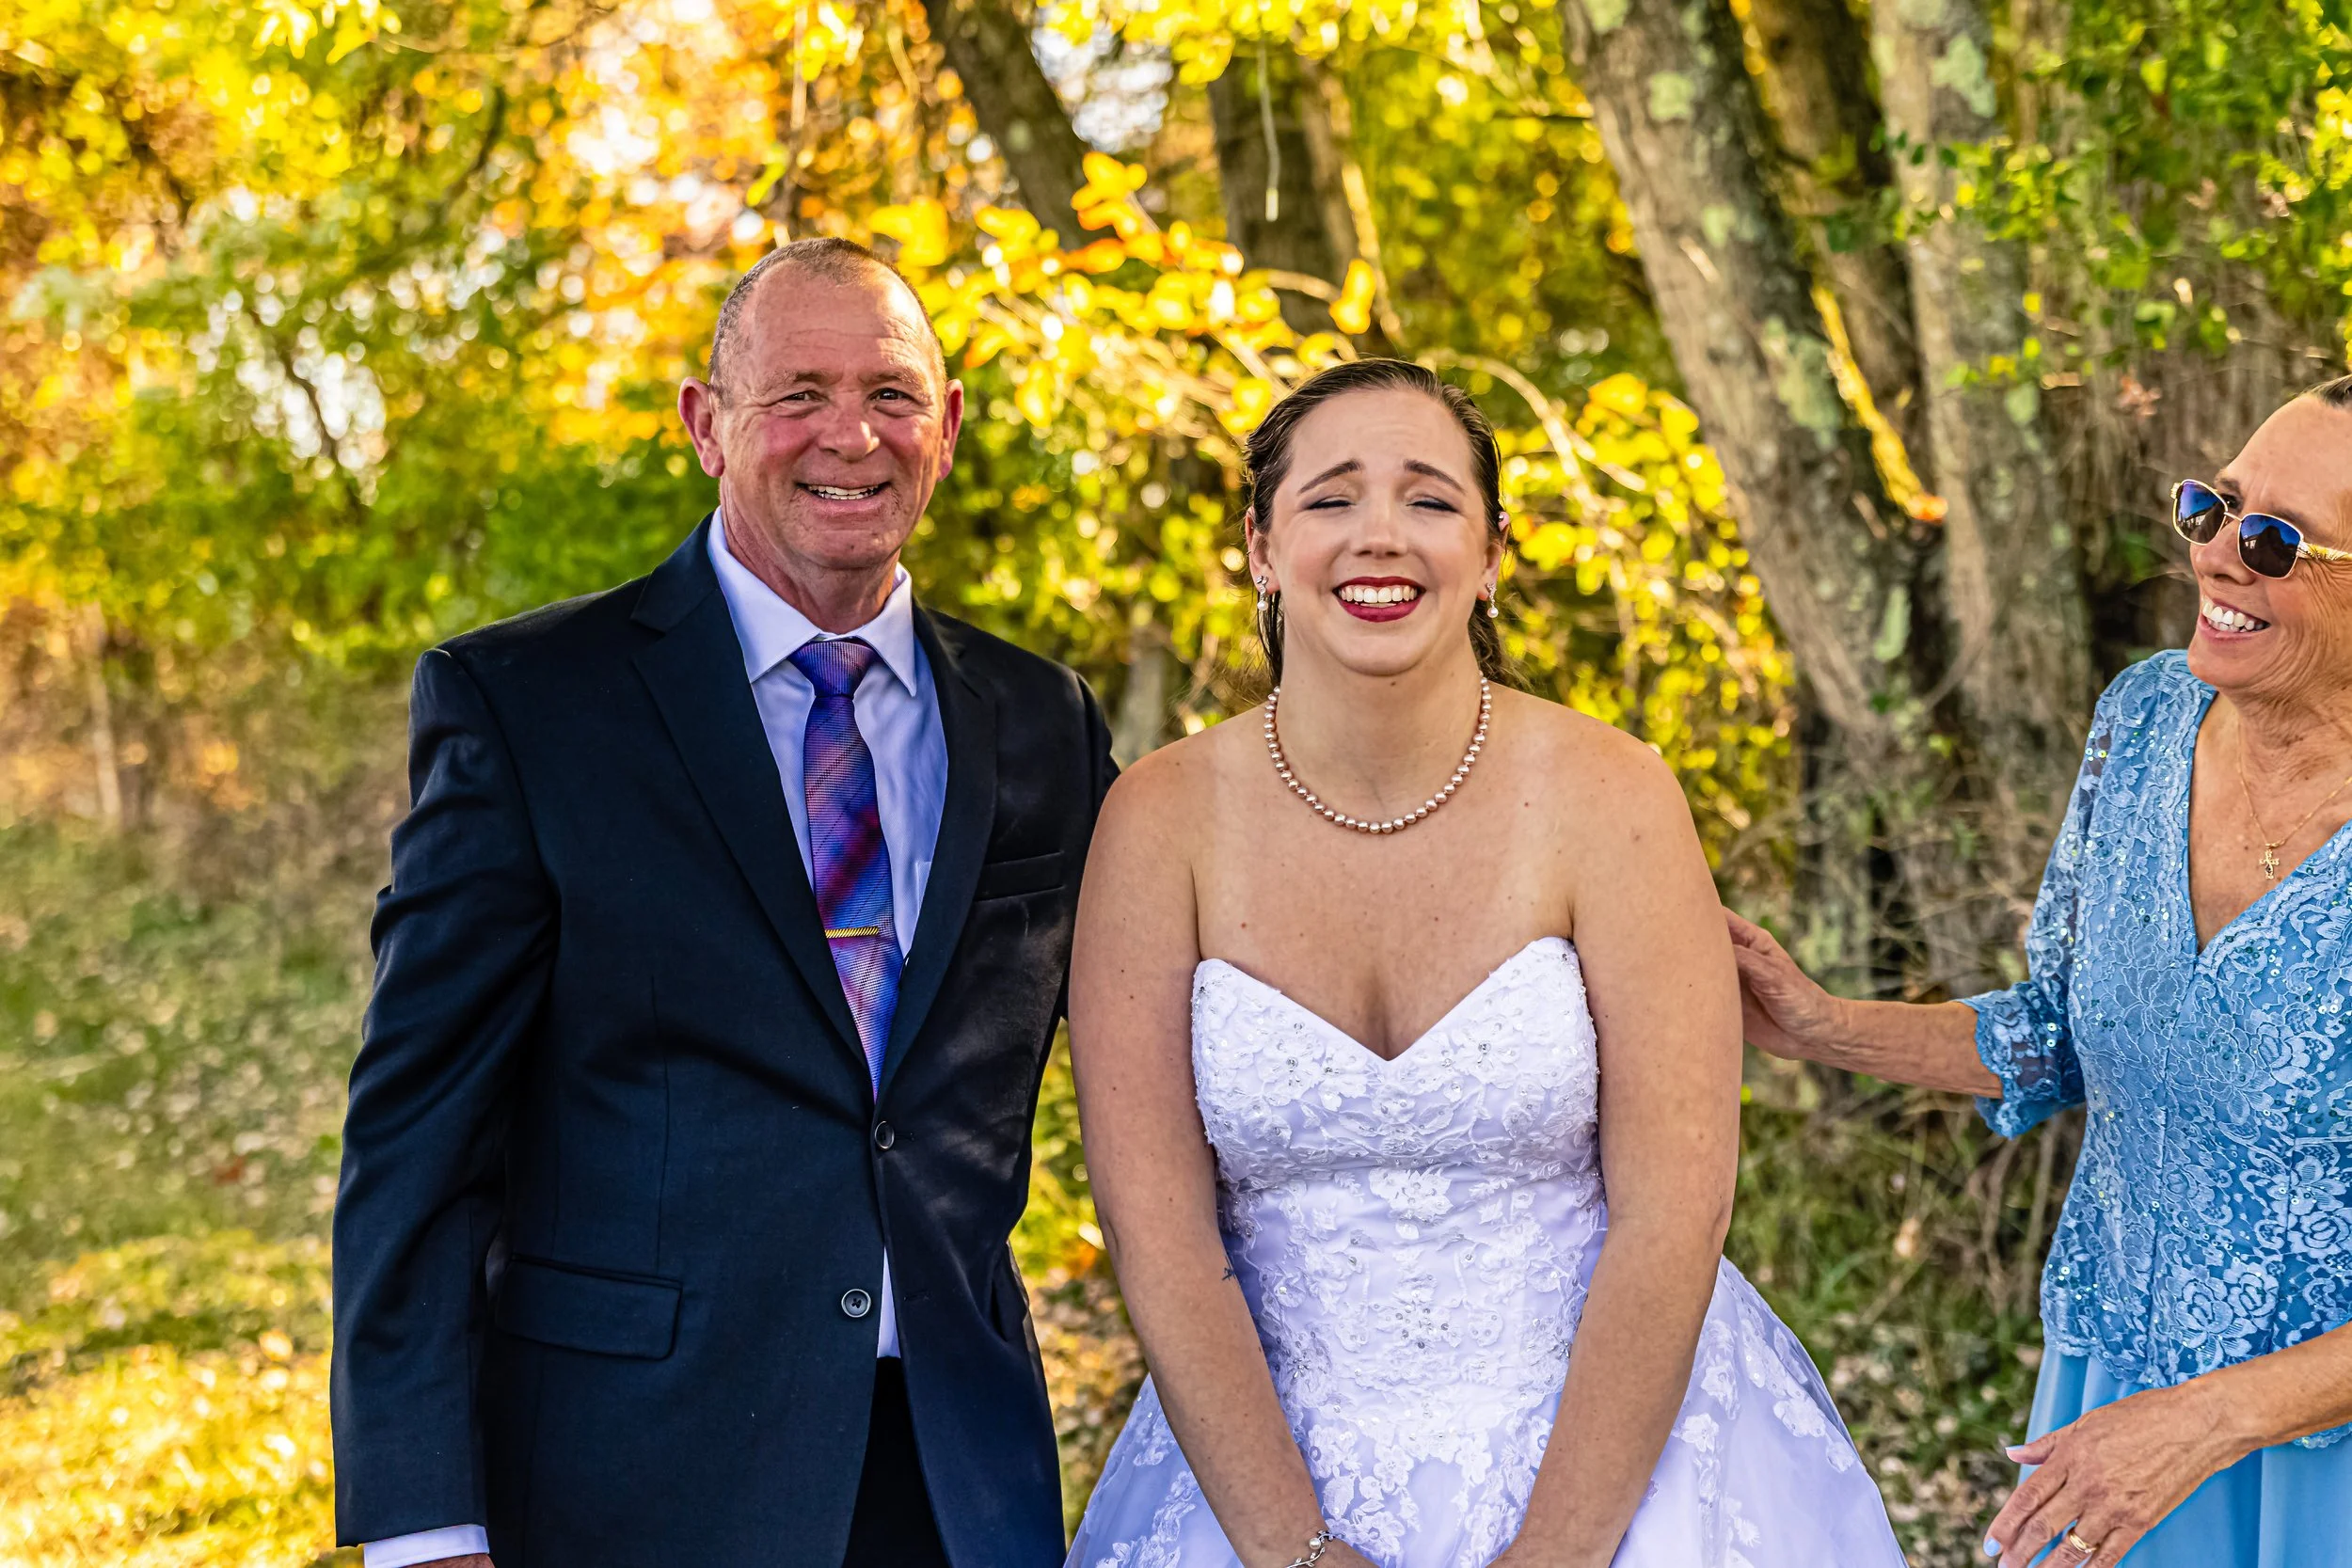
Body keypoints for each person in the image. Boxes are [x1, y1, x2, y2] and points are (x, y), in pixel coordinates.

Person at [330, 238, 1112, 1568]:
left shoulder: (1040, 718)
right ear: (707, 423)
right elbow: (418, 1129)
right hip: (626, 1471)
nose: (850, 436)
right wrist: (422, 1519)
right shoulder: (530, 705)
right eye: (798, 391)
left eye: (892, 393)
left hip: (954, 1472)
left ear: (950, 424)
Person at [1062, 358, 1904, 1568]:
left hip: (1622, 1471)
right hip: (1258, 1484)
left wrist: (1556, 1552)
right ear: (1257, 544)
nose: (1381, 537)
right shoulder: (1158, 821)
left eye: (1431, 499)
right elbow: (1160, 1235)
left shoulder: (1614, 797)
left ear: (1493, 550)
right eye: (1331, 498)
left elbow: (1677, 1206)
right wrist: (1291, 1548)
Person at [1728, 379, 2352, 1567]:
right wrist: (1817, 1023)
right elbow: (2059, 1030)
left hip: (2312, 1460)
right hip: (2111, 1404)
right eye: (2214, 507)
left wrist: (2207, 1421)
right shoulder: (2144, 718)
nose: (2218, 556)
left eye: (2273, 541)